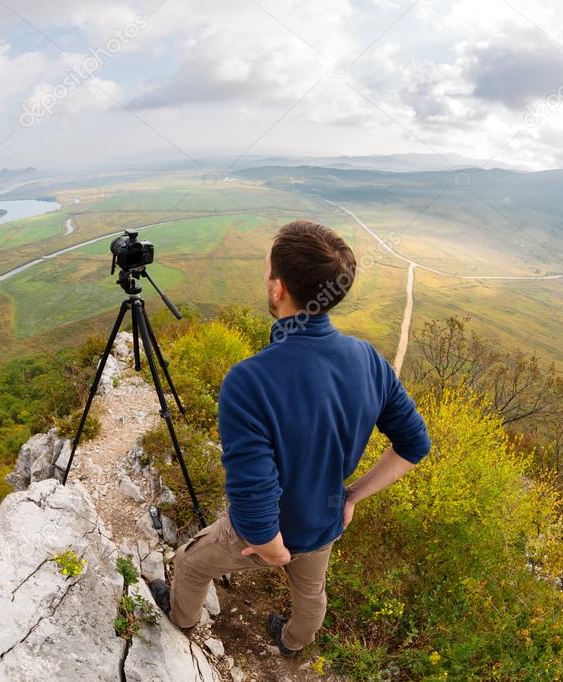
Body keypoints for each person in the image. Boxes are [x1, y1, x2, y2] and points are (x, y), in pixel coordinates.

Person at [150, 220, 431, 655]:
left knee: (189, 563)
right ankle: (294, 643)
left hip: (264, 537)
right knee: (311, 594)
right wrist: (351, 497)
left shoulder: (250, 381)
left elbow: (254, 491)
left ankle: (182, 620)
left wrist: (273, 549)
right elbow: (414, 445)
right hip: (325, 521)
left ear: (278, 289)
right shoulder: (368, 360)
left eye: (267, 272)